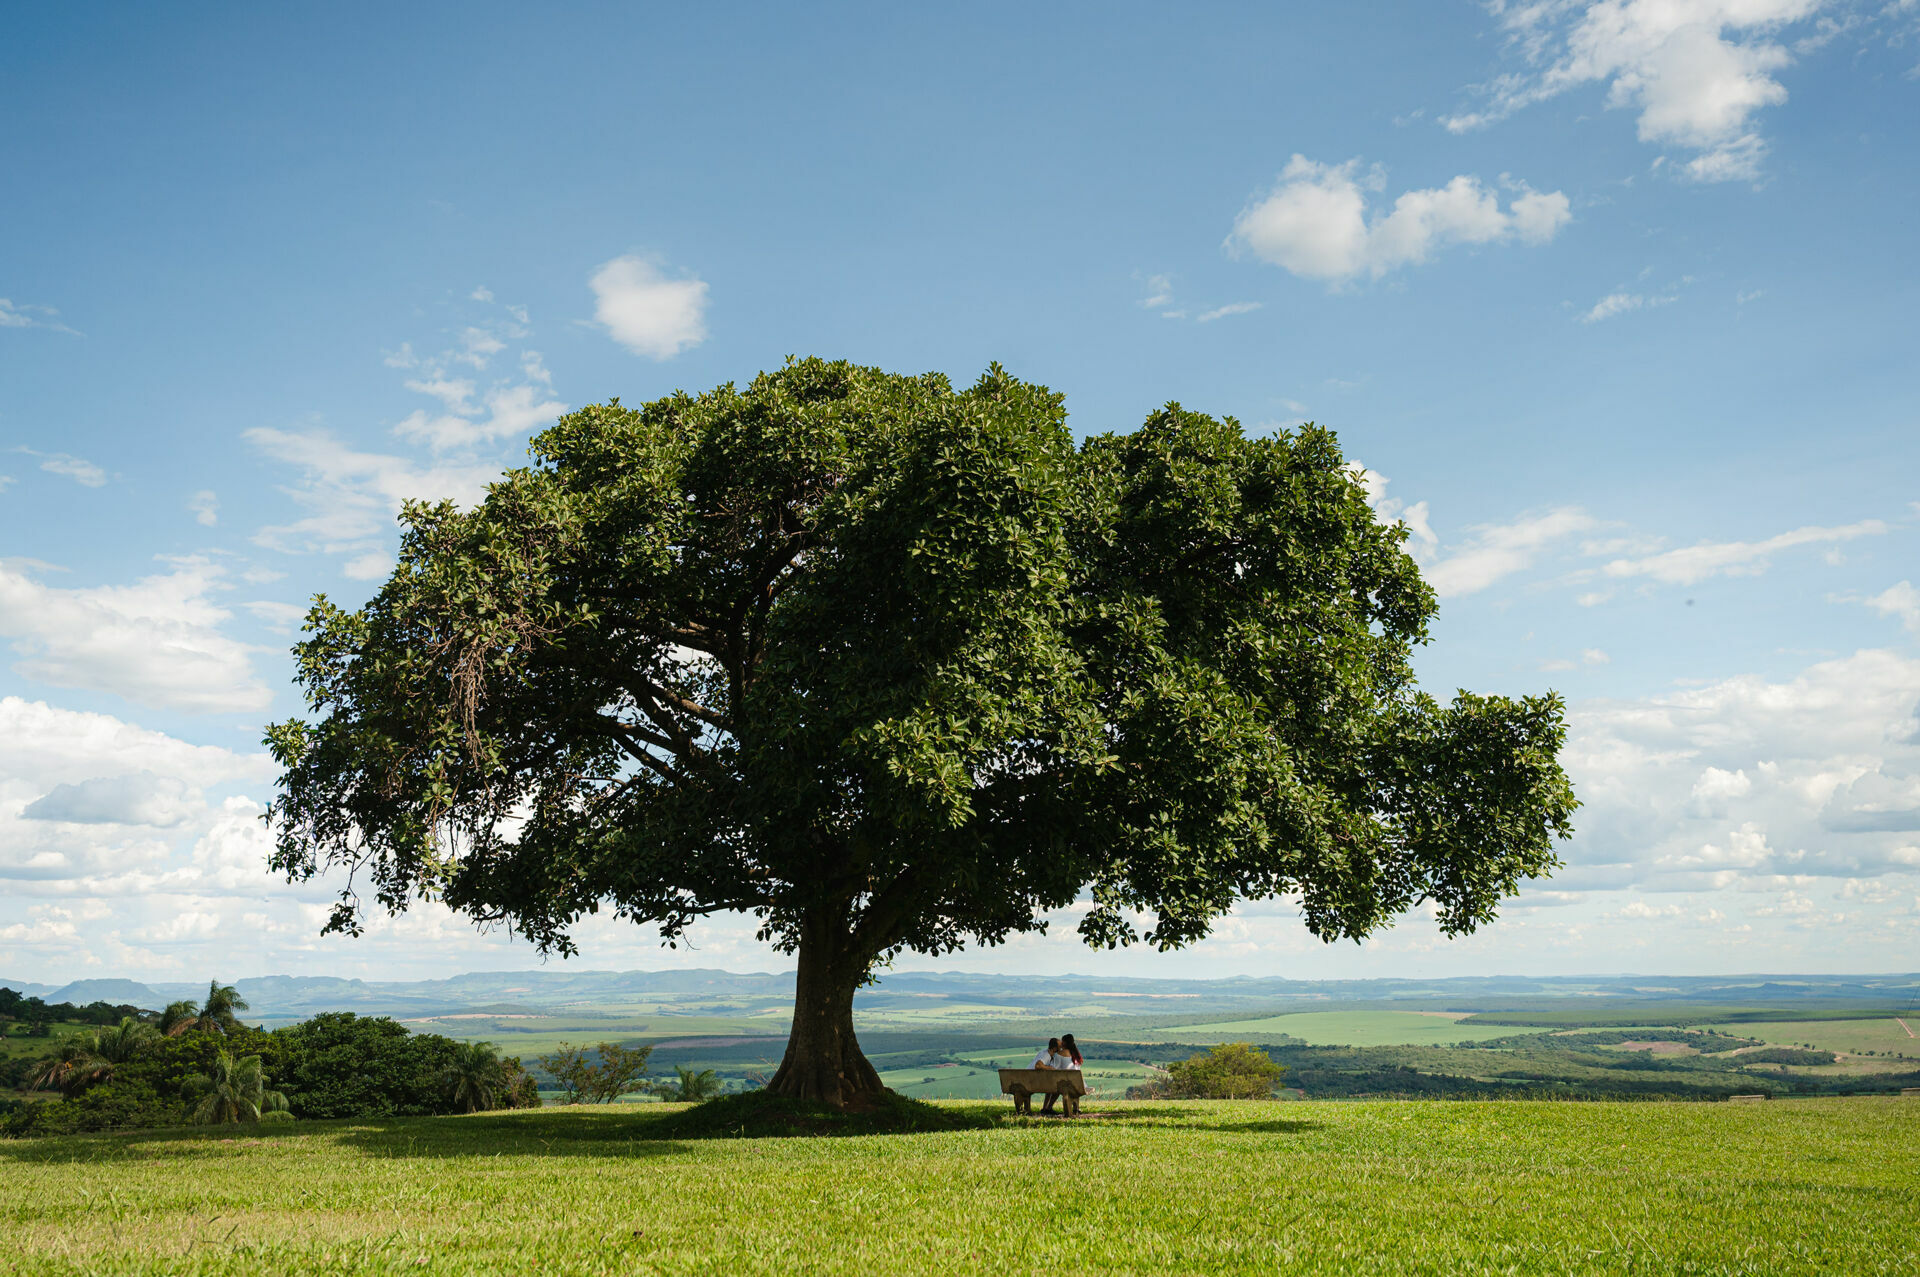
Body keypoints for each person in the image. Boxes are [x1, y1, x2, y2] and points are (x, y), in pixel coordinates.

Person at [1040, 1034, 1082, 1115]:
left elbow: (1054, 1068)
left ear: (1065, 1043)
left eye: (1062, 1041)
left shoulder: (1060, 1054)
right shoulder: (1076, 1054)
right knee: (1062, 1083)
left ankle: (1047, 1108)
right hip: (1078, 1084)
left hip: (1067, 1084)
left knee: (1058, 1085)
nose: (1061, 1043)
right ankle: (1076, 1108)